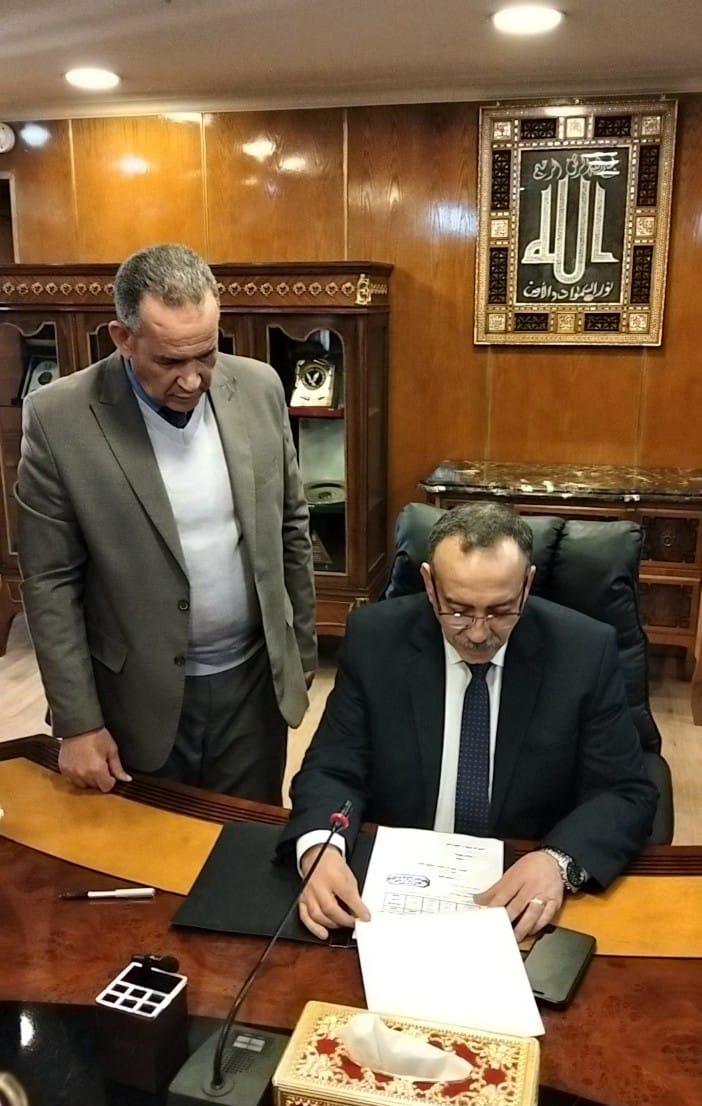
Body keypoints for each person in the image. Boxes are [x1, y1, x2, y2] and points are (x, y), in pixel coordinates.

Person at [17, 244, 317, 801]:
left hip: (252, 688)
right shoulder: (59, 419)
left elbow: (290, 527)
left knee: (245, 837)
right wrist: (78, 723)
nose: (192, 380)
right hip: (135, 697)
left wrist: (299, 649)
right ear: (123, 337)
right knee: (147, 844)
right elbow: (50, 580)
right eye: (169, 362)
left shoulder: (259, 388)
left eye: (205, 354)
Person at [277, 502, 657, 940]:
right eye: (457, 609)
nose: (478, 633)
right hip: (392, 897)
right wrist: (320, 849)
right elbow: (331, 768)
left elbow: (624, 792)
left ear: (527, 584)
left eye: (500, 610)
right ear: (429, 584)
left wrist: (557, 861)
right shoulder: (375, 639)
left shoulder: (584, 653)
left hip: (521, 896)